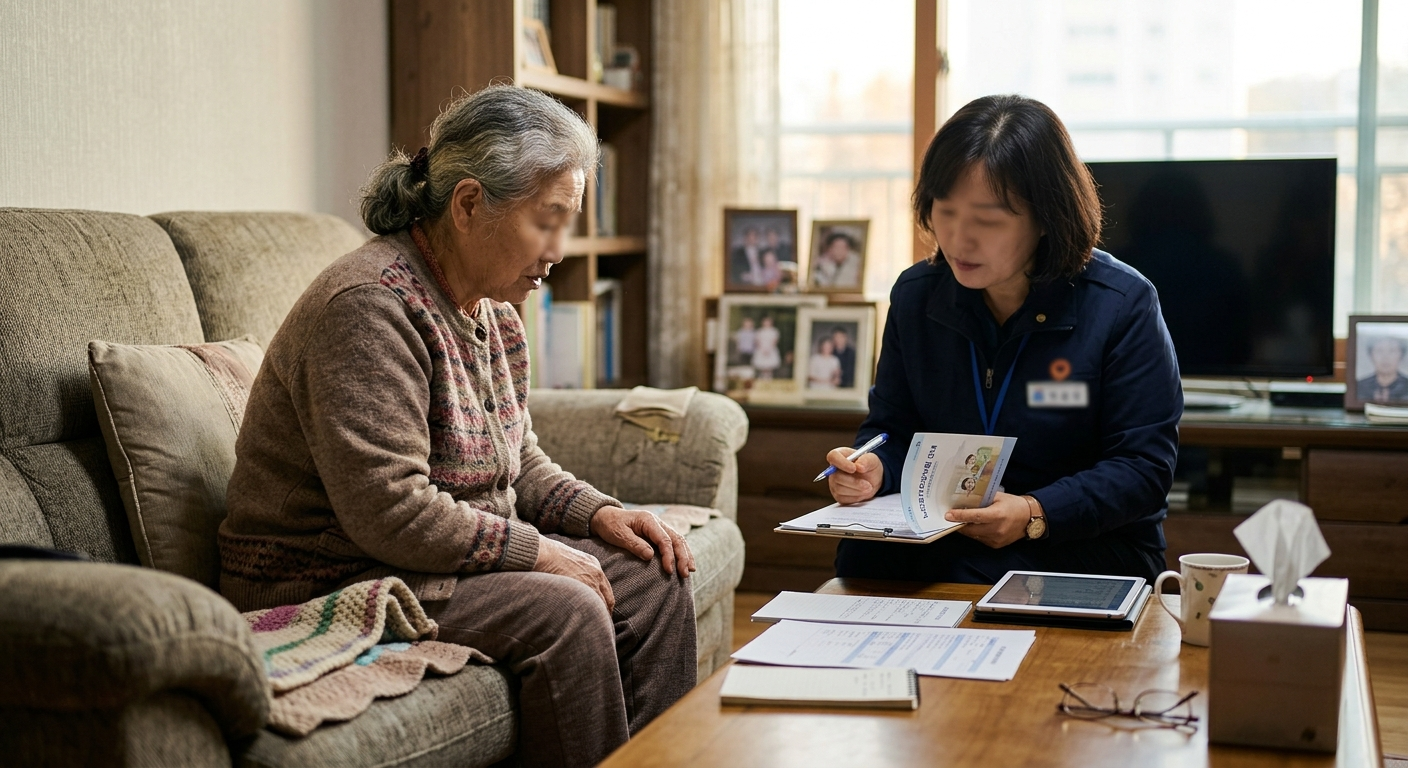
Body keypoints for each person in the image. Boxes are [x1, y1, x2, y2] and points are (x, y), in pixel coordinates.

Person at [218, 85, 696, 768]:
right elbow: (389, 511)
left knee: (657, 575)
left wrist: (600, 515)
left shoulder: (493, 310)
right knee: (565, 612)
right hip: (332, 573)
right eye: (547, 220)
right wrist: (538, 553)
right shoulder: (369, 306)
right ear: (470, 204)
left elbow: (518, 461)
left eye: (570, 222)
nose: (559, 248)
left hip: (423, 562)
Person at [823, 94, 1182, 584]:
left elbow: (1142, 468)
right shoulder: (917, 296)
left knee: (980, 570)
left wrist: (1035, 512)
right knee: (861, 559)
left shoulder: (1121, 303)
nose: (958, 239)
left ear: (1046, 217)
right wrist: (871, 468)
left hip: (1081, 541)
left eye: (987, 220)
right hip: (948, 528)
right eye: (944, 211)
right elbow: (893, 427)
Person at [1358, 336, 1408, 403]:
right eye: (1379, 351)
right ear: (1371, 355)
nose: (1385, 357)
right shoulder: (1359, 386)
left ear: (1401, 355)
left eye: (1392, 351)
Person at [751, 314, 782, 379]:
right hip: (761, 349)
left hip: (770, 349)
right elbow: (757, 341)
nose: (766, 323)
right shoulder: (759, 331)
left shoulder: (774, 331)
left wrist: (769, 349)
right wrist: (762, 349)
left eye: (768, 322)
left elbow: (775, 341)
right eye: (765, 322)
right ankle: (762, 378)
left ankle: (769, 378)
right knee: (762, 365)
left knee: (769, 366)